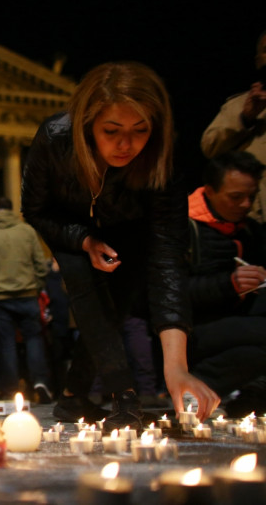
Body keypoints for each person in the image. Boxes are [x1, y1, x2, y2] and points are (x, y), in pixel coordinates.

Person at [22, 61, 219, 432]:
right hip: (67, 224)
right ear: (87, 125)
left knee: (118, 305)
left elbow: (168, 260)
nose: (126, 145)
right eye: (111, 131)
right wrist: (84, 239)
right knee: (86, 286)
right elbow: (35, 209)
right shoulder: (56, 137)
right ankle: (124, 397)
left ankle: (71, 398)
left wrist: (176, 367)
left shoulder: (162, 155)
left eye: (140, 130)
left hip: (129, 227)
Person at [186, 151, 266, 416]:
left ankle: (244, 396)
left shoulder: (250, 230)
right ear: (209, 191)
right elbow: (164, 294)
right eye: (235, 197)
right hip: (187, 331)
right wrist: (228, 284)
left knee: (256, 351)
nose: (245, 204)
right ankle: (193, 386)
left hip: (238, 326)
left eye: (251, 197)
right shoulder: (183, 228)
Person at [0, 196, 52, 402]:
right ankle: (41, 382)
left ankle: (11, 389)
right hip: (27, 294)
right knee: (34, 339)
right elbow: (40, 263)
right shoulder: (27, 231)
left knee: (7, 343)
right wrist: (36, 286)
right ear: (12, 210)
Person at [201, 31, 266, 222]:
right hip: (251, 218)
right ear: (258, 60)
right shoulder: (240, 104)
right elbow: (210, 147)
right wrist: (245, 118)